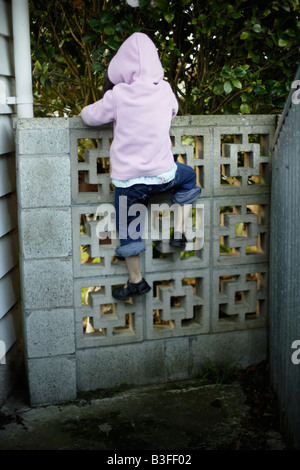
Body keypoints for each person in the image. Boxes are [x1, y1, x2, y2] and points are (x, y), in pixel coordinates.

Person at [81, 32, 201, 301]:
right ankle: (180, 230)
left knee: (127, 229)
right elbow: (174, 109)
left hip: (131, 184)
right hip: (165, 176)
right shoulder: (165, 89)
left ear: (121, 65)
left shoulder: (118, 95)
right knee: (189, 176)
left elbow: (91, 116)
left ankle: (136, 280)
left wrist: (83, 111)